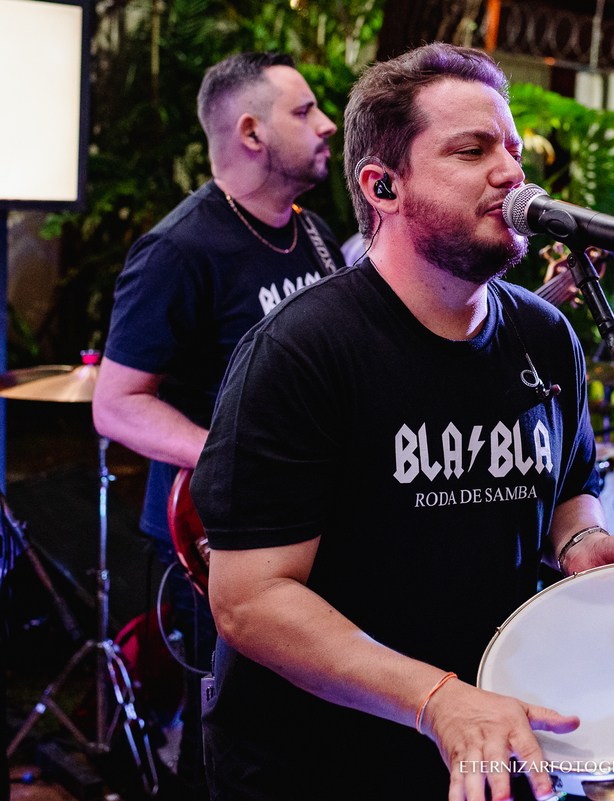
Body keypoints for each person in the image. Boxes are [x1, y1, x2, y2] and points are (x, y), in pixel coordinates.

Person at [190, 43, 614, 801]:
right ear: (383, 185)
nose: (511, 172)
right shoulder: (303, 351)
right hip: (320, 762)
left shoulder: (544, 334)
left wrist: (583, 541)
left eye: (510, 147)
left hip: (492, 735)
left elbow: (569, 489)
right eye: (471, 151)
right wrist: (434, 697)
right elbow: (248, 598)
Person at [91, 52, 344, 799]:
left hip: (304, 524)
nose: (328, 125)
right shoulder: (179, 249)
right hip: (213, 543)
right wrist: (234, 454)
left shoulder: (315, 233)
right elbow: (117, 403)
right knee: (227, 750)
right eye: (305, 111)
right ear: (251, 131)